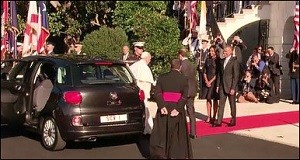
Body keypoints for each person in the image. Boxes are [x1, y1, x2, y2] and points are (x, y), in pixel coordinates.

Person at [149, 59, 193, 159]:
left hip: (164, 108)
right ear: (180, 67)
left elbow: (157, 93)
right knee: (176, 135)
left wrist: (162, 106)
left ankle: (161, 154)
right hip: (176, 108)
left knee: (162, 133)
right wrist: (177, 109)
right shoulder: (183, 79)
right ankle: (175, 154)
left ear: (170, 66)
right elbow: (185, 96)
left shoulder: (162, 77)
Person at [213, 45, 239, 127]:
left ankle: (233, 120)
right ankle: (219, 121)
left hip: (231, 86)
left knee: (232, 104)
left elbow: (236, 76)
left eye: (226, 51)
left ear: (230, 52)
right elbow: (220, 75)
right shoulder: (222, 61)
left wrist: (233, 88)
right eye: (224, 51)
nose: (224, 52)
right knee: (221, 104)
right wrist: (217, 85)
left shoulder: (234, 61)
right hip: (222, 86)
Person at [129, 51, 155, 135]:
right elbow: (147, 83)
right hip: (142, 95)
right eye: (150, 59)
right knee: (145, 111)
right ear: (147, 58)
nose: (150, 60)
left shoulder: (135, 65)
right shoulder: (144, 67)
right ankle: (148, 129)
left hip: (136, 94)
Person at [178, 48, 198, 138]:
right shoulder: (192, 64)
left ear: (180, 55)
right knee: (191, 112)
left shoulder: (182, 65)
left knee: (180, 111)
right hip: (192, 90)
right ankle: (193, 132)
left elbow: (181, 79)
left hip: (184, 91)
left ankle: (181, 132)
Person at [200, 45, 220, 124]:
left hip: (214, 81)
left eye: (212, 51)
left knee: (214, 99)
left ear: (215, 52)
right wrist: (206, 80)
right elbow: (204, 71)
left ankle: (214, 116)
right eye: (210, 51)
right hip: (207, 80)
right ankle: (209, 116)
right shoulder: (207, 60)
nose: (211, 52)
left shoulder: (217, 61)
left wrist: (210, 81)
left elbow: (217, 73)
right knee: (208, 98)